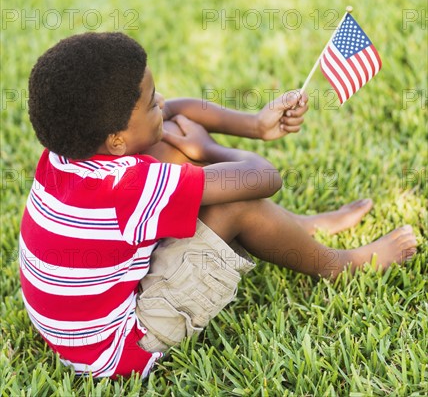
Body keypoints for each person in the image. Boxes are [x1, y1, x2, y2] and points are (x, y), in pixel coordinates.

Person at [20, 32, 417, 379]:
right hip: (122, 347)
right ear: (117, 140)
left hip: (76, 328)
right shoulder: (129, 186)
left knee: (166, 136)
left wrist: (256, 124)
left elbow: (174, 109)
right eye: (150, 101)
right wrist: (207, 148)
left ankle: (298, 227)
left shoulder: (68, 153)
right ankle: (341, 266)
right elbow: (263, 178)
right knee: (238, 207)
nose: (161, 100)